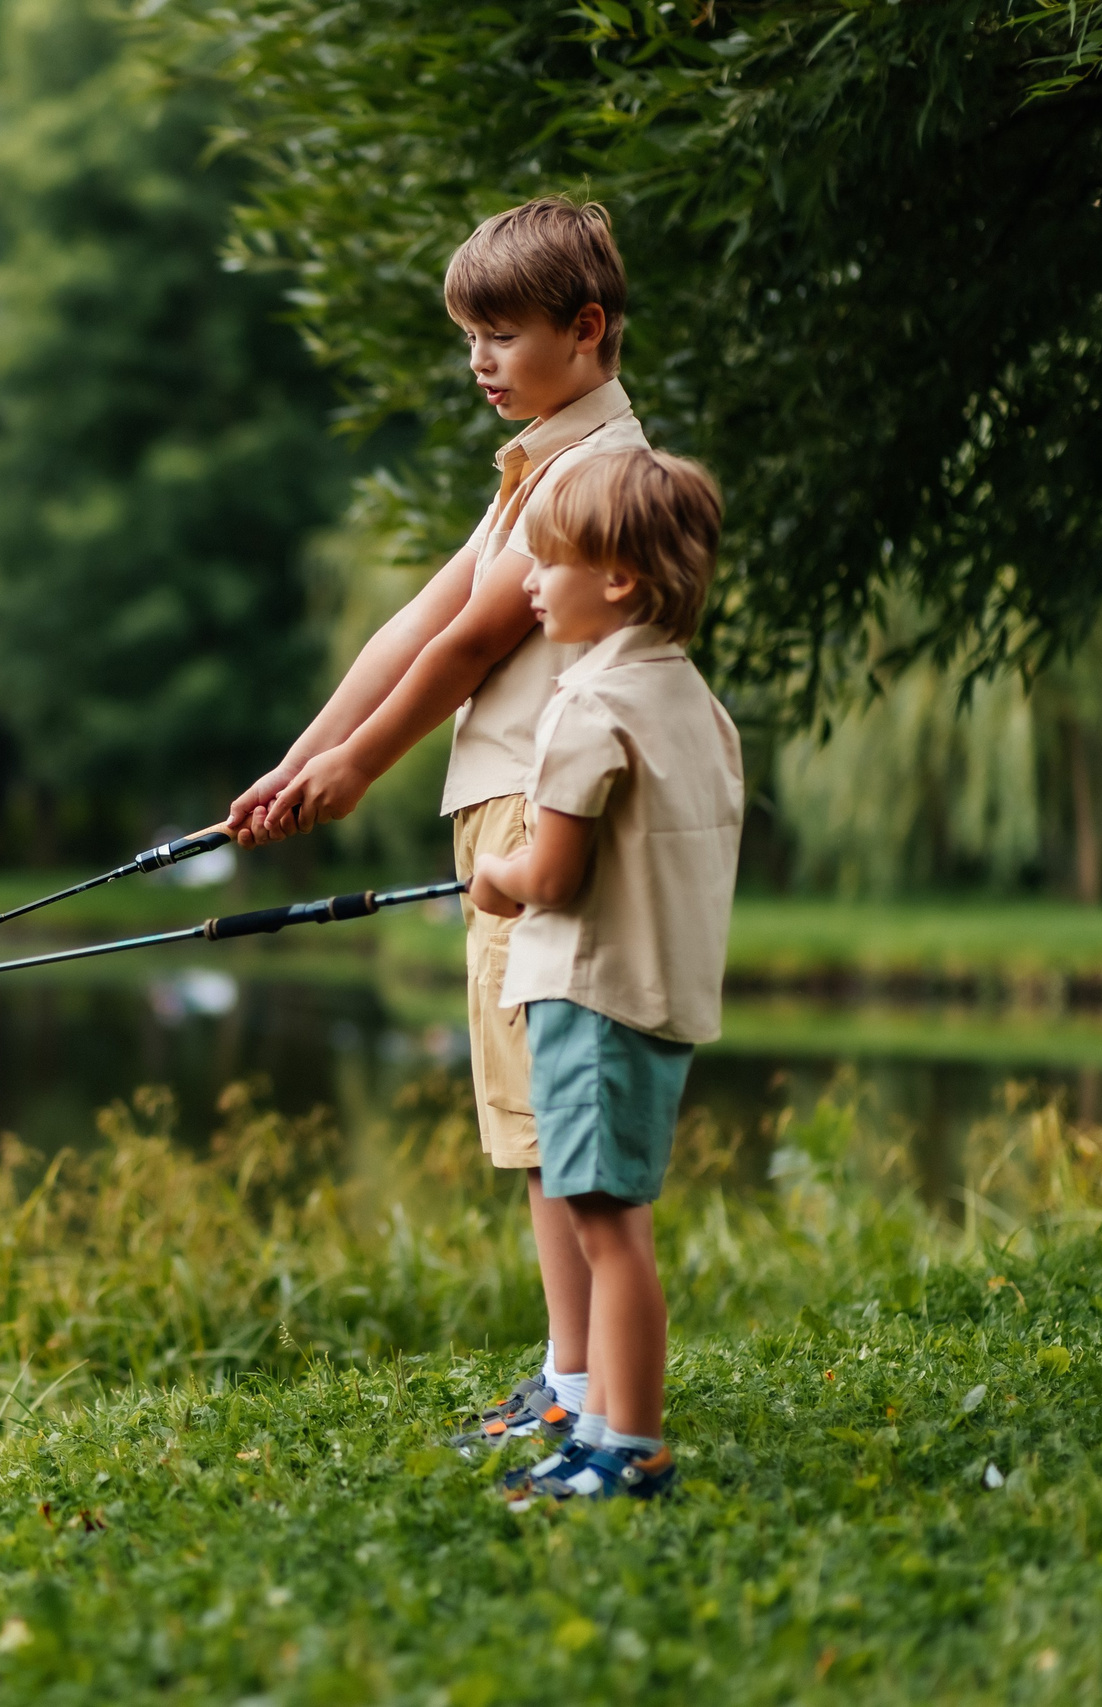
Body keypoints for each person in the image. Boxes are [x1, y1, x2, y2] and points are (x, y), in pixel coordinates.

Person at [227, 198, 645, 1449]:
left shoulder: (588, 476)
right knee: (530, 1125)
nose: (476, 361)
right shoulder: (532, 467)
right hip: (500, 813)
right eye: (467, 336)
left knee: (558, 1119)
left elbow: (471, 645)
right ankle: (566, 1377)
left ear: (584, 332)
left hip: (539, 811)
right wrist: (297, 762)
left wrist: (357, 772)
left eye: (499, 334)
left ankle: (585, 1399)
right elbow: (416, 621)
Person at [469, 449, 742, 1503]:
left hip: (588, 997)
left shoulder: (585, 708)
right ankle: (594, 1426)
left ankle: (627, 1448)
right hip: (660, 996)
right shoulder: (695, 706)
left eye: (546, 562)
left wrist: (493, 879)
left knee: (606, 1226)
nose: (529, 583)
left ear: (617, 578)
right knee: (612, 1213)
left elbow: (551, 872)